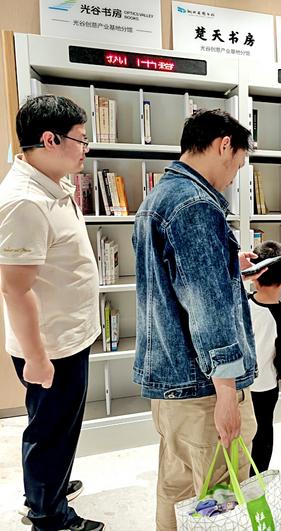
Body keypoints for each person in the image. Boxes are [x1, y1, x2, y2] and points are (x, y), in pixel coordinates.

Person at [132, 109, 260, 531]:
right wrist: (227, 393)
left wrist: (227, 266)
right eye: (238, 163)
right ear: (225, 145)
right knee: (219, 497)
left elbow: (173, 283)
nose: (234, 176)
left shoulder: (158, 198)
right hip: (204, 389)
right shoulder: (196, 206)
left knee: (178, 489)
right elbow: (209, 311)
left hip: (172, 385)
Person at [0, 95, 104, 531]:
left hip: (66, 336)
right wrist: (38, 358)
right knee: (51, 431)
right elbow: (15, 287)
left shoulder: (51, 184)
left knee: (54, 427)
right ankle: (49, 514)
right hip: (52, 347)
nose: (85, 148)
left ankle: (47, 487)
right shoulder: (25, 201)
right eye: (80, 139)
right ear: (50, 139)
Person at [247, 240, 281, 501]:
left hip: (235, 385)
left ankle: (238, 482)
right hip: (265, 386)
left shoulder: (241, 305)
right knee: (263, 435)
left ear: (254, 274)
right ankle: (257, 489)